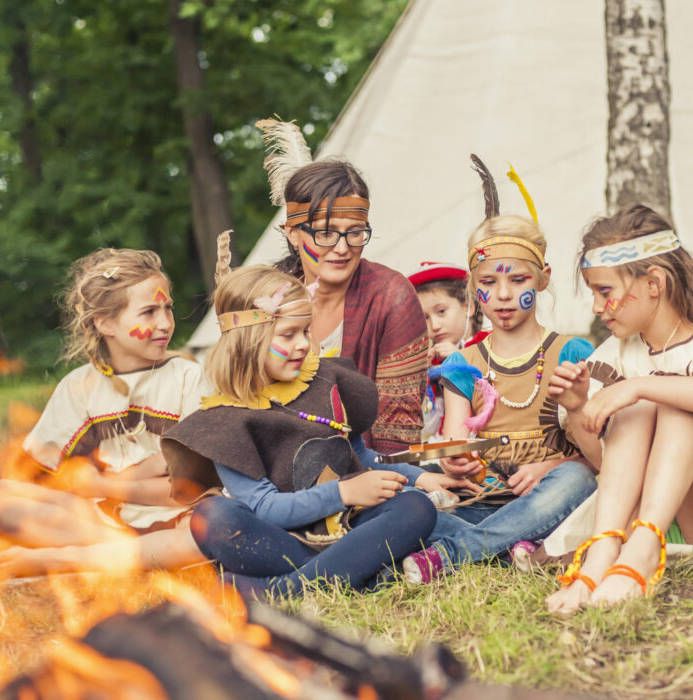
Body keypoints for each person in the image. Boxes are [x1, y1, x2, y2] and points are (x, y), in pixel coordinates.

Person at [163, 266, 469, 598]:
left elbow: (361, 459)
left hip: (352, 526)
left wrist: (417, 477)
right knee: (213, 518)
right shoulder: (224, 422)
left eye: (306, 331)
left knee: (415, 507)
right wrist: (345, 492)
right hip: (282, 540)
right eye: (288, 334)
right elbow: (265, 508)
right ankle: (361, 571)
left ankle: (282, 590)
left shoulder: (324, 382)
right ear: (248, 341)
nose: (302, 344)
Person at [543, 204, 693, 614]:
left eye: (606, 292)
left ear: (654, 283)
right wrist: (579, 406)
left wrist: (640, 386)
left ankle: (639, 551)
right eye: (594, 293)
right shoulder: (617, 353)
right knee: (638, 408)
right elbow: (608, 462)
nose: (597, 307)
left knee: (670, 400)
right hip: (630, 514)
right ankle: (604, 551)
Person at [399, 159, 597, 584]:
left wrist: (549, 470)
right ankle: (520, 547)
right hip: (484, 499)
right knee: (400, 507)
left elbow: (604, 455)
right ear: (474, 287)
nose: (503, 295)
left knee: (578, 479)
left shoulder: (573, 352)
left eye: (519, 280)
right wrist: (456, 464)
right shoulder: (462, 364)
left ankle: (454, 553)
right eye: (488, 283)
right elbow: (454, 440)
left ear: (543, 279)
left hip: (552, 495)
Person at [0, 248, 207, 575]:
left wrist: (105, 485)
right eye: (148, 312)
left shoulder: (190, 378)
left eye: (168, 308)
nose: (164, 323)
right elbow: (42, 478)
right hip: (99, 525)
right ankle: (113, 556)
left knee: (204, 535)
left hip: (175, 526)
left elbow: (189, 490)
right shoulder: (79, 387)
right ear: (105, 323)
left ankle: (64, 560)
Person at [259, 119, 429, 454]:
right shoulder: (263, 300)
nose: (342, 247)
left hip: (370, 474)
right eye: (325, 232)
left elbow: (397, 429)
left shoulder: (391, 297)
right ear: (293, 234)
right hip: (271, 479)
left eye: (355, 231)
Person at [406, 262, 488, 440]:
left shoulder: (491, 345)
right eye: (424, 317)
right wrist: (421, 378)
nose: (434, 326)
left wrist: (461, 359)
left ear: (469, 307)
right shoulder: (434, 363)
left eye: (441, 311)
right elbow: (427, 428)